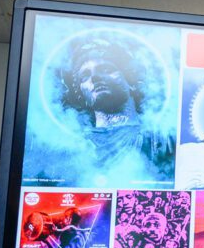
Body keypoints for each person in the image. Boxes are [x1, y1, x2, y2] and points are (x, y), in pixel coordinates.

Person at [31, 34, 175, 187]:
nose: (94, 77)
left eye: (106, 69)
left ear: (131, 81)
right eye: (85, 76)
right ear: (81, 95)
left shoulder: (160, 141)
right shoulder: (69, 149)